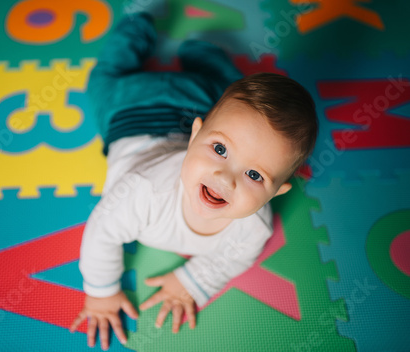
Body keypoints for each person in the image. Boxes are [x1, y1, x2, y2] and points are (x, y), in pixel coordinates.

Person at [70, 12, 318, 350]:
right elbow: (101, 233)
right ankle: (137, 28)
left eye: (255, 175)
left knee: (232, 95)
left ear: (277, 191)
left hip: (196, 101)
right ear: (195, 136)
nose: (224, 178)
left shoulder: (254, 229)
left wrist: (191, 281)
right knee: (101, 82)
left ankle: (203, 55)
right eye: (219, 149)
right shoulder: (142, 193)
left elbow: (236, 257)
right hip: (130, 105)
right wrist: (101, 292)